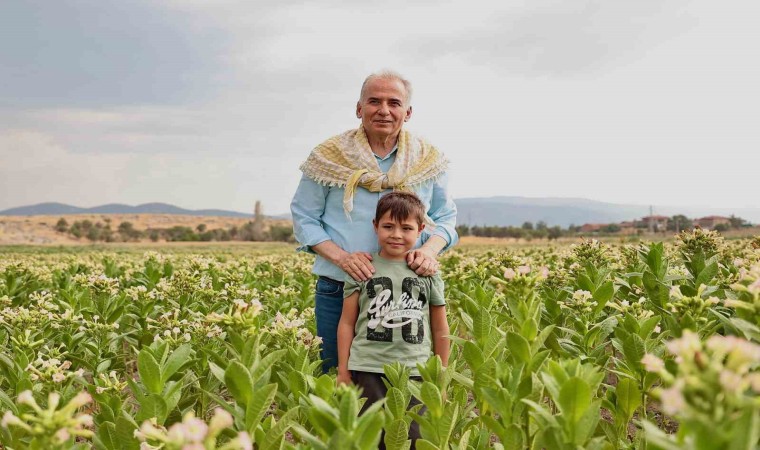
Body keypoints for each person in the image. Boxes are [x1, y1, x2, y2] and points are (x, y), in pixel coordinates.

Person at [290, 70, 457, 372]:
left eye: (394, 103)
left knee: (404, 383)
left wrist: (428, 251)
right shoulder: (329, 157)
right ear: (359, 108)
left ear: (407, 112)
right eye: (374, 101)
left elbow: (445, 218)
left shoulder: (427, 159)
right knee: (337, 377)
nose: (384, 110)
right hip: (340, 285)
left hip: (407, 289)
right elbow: (304, 217)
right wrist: (343, 258)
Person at [336, 191, 450, 448]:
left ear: (421, 230)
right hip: (368, 368)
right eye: (388, 226)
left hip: (416, 371)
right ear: (375, 226)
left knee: (413, 437)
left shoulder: (428, 273)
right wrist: (344, 370)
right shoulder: (361, 269)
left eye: (406, 228)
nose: (396, 234)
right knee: (371, 438)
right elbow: (346, 323)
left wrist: (441, 377)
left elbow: (440, 328)